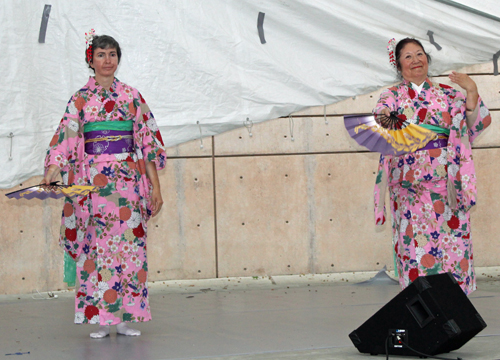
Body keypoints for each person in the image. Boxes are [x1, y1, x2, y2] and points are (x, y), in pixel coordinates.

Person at [42, 30, 166, 338]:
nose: (107, 60)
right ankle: (100, 316)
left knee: (131, 248)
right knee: (96, 249)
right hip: (94, 185)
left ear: (118, 59)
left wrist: (156, 188)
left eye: (112, 54)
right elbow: (66, 136)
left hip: (128, 183)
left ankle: (124, 318)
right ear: (91, 60)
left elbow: (147, 143)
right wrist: (54, 168)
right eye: (101, 54)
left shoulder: (132, 96)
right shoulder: (81, 99)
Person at [373, 38, 491, 295]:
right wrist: (395, 123)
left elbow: (474, 124)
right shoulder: (391, 95)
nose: (415, 59)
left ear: (427, 59)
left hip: (448, 184)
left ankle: (454, 308)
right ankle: (422, 310)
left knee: (453, 245)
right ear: (399, 65)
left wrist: (471, 90)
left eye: (420, 54)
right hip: (411, 185)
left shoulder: (449, 94)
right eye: (407, 56)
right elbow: (381, 118)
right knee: (417, 248)